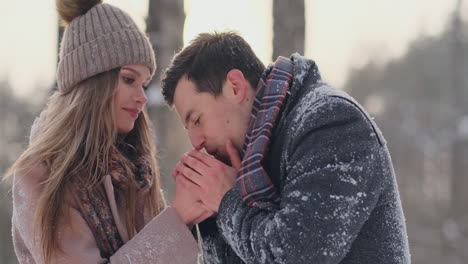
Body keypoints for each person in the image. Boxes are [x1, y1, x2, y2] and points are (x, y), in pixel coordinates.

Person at [161, 31, 411, 263]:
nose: (195, 142)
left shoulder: (331, 122)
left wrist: (227, 202)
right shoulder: (248, 165)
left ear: (235, 87)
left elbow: (295, 255)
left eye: (197, 120)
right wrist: (209, 214)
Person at [3, 0, 211, 263]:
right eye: (128, 79)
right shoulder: (41, 175)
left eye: (144, 84)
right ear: (92, 83)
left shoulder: (136, 172)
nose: (142, 97)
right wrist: (177, 219)